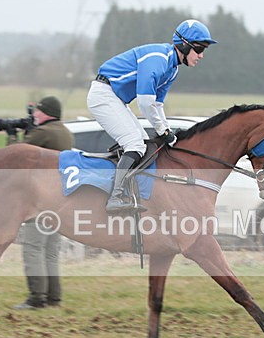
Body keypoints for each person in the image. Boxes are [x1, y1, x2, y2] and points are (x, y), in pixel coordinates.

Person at [87, 19, 218, 211]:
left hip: (115, 98)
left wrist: (166, 130)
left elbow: (157, 104)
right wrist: (163, 131)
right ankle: (114, 198)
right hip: (103, 94)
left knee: (142, 143)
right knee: (135, 144)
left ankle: (126, 190)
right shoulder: (158, 59)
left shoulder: (172, 70)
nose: (201, 55)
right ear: (184, 45)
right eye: (199, 49)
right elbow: (145, 102)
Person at [12, 96, 74, 309]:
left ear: (47, 113)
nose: (35, 115)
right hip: (58, 199)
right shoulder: (64, 132)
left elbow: (14, 156)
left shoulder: (43, 133)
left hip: (39, 199)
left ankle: (37, 297)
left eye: (38, 111)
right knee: (50, 250)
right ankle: (53, 297)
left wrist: (14, 135)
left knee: (33, 247)